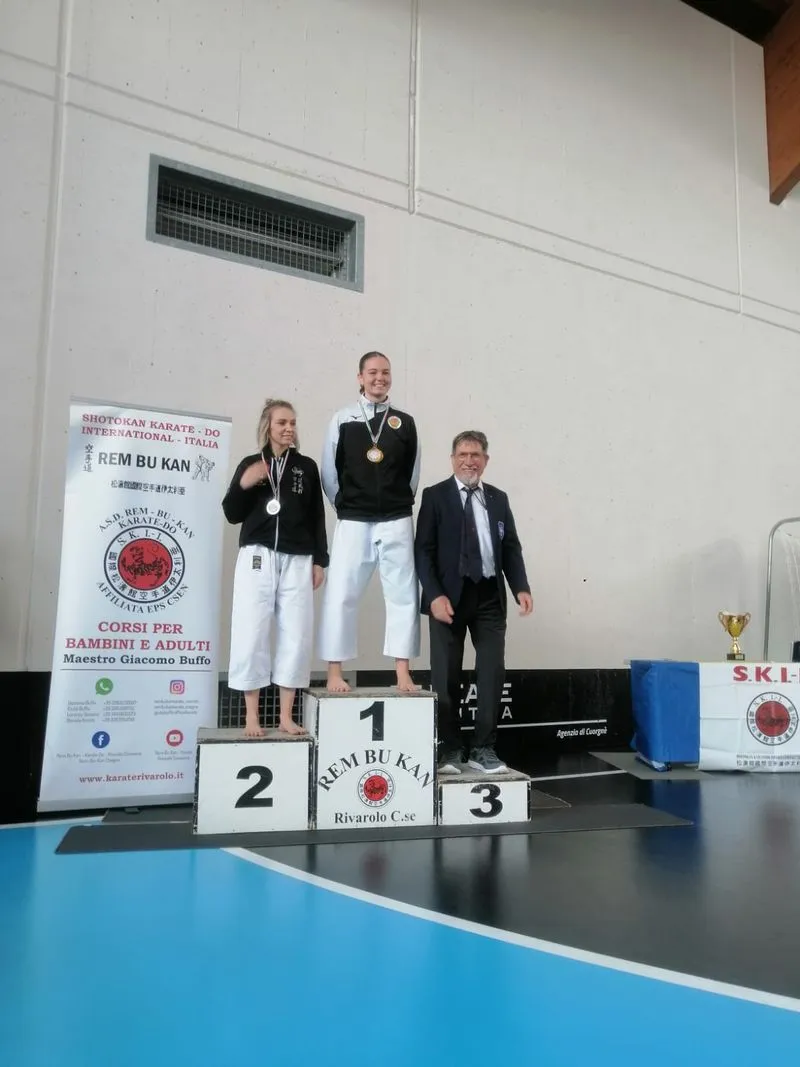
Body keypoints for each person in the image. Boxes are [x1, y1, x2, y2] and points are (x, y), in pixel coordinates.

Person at [414, 430, 533, 774]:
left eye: (476, 455)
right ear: (453, 459)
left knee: (492, 672)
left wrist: (520, 587)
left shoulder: (498, 499)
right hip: (447, 600)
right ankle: (450, 749)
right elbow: (423, 551)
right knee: (445, 676)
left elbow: (510, 547)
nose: (470, 461)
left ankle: (484, 748)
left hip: (489, 598)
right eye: (463, 455)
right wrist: (434, 595)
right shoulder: (435, 496)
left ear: (485, 460)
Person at [222, 399, 328, 737]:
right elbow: (231, 513)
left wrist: (320, 560)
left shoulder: (306, 467)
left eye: (292, 423)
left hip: (298, 557)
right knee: (251, 630)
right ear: (268, 426)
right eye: (282, 422)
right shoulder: (251, 463)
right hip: (257, 555)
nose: (289, 428)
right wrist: (245, 483)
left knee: (296, 634)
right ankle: (252, 717)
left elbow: (317, 516)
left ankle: (285, 716)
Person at [318, 351, 421, 692]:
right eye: (373, 372)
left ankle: (402, 670)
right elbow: (329, 472)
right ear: (360, 377)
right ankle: (335, 670)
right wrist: (345, 505)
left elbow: (412, 473)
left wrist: (396, 502)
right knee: (341, 592)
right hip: (354, 518)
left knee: (403, 594)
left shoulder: (404, 422)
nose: (380, 378)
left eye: (386, 372)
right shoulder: (342, 419)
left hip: (396, 518)